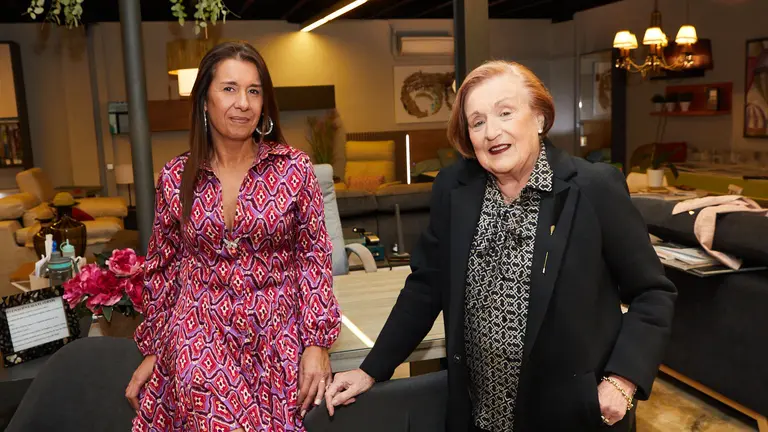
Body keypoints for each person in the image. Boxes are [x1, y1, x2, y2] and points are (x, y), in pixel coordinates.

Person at [325, 60, 677, 431]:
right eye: (477, 122)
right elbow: (426, 286)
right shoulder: (454, 189)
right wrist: (371, 368)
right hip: (479, 413)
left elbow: (652, 293)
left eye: (505, 113)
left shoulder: (593, 188)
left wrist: (622, 380)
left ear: (539, 117)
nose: (492, 132)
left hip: (572, 414)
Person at [124, 42, 341, 431]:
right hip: (200, 336)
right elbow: (163, 267)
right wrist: (156, 348)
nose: (243, 103)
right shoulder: (176, 177)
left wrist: (316, 342)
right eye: (229, 89)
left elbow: (313, 258)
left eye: (253, 91)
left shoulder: (293, 169)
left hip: (277, 336)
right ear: (204, 101)